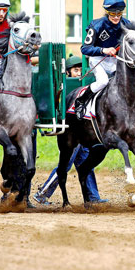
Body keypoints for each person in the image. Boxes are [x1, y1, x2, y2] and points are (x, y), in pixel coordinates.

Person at [35, 59, 105, 204]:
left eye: (81, 70)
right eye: (75, 70)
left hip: (84, 134)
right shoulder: (64, 88)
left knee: (86, 164)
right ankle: (43, 193)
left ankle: (93, 197)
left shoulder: (88, 88)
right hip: (70, 134)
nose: (79, 73)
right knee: (65, 165)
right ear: (67, 72)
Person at [73, 0, 135, 115]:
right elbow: (85, 49)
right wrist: (103, 50)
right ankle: (81, 101)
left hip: (116, 60)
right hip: (97, 59)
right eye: (113, 14)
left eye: (119, 14)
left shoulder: (127, 25)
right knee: (103, 81)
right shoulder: (97, 25)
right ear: (107, 12)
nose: (116, 17)